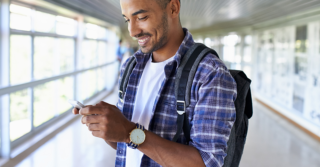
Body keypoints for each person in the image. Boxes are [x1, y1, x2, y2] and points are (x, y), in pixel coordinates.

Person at [72, 0, 237, 166]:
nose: (132, 31)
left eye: (142, 17)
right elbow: (129, 147)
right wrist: (109, 128)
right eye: (127, 20)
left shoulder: (210, 74)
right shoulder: (131, 66)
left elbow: (207, 163)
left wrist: (130, 132)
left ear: (173, 8)